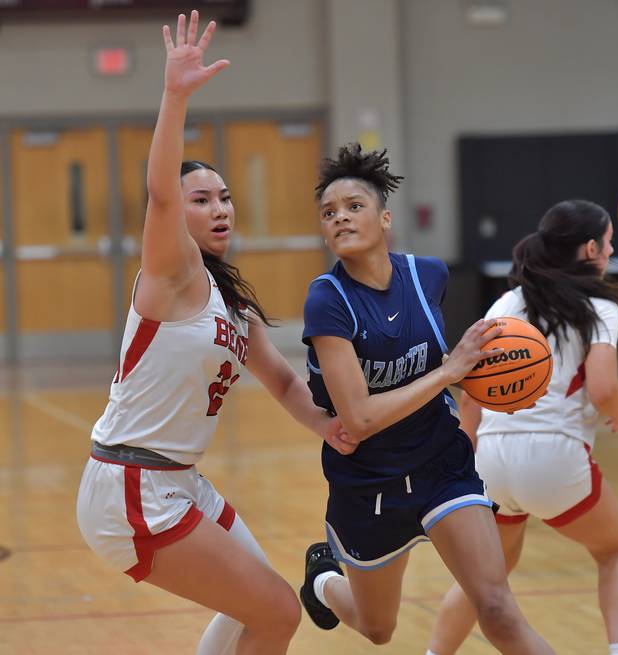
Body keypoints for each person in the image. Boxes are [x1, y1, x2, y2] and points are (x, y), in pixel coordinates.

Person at [75, 12, 356, 655]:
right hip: (132, 485)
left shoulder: (232, 302)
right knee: (278, 611)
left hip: (181, 481)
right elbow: (159, 194)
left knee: (253, 613)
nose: (219, 207)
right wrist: (175, 96)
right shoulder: (172, 273)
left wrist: (327, 425)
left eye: (224, 197)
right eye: (201, 199)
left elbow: (283, 380)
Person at [298, 143, 555, 655]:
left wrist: (496, 385)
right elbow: (361, 417)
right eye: (329, 213)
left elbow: (460, 365)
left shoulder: (427, 275)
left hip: (440, 463)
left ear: (385, 217)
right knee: (378, 629)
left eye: (354, 206)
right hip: (369, 480)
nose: (340, 218)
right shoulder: (327, 299)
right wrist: (448, 373)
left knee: (498, 607)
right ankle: (324, 579)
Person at [426, 200, 618, 655]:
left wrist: (462, 464)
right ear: (590, 249)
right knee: (615, 553)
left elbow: (472, 390)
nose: (611, 248)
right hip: (556, 458)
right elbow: (603, 388)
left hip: (492, 456)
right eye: (608, 241)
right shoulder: (600, 306)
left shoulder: (508, 301)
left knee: (484, 580)